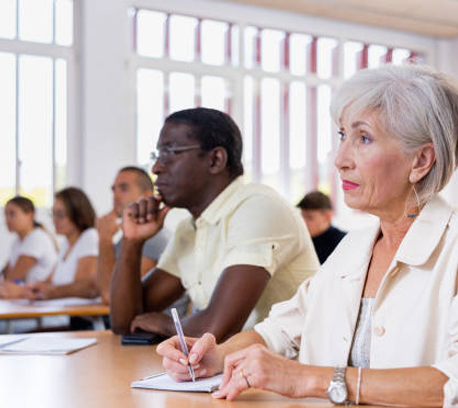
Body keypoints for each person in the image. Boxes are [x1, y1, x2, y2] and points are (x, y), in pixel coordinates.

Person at [156, 65, 458, 407]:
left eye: (363, 138)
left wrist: (309, 379)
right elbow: (280, 330)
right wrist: (217, 356)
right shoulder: (354, 247)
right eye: (341, 135)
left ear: (421, 161)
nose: (340, 158)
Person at [110, 107, 319, 341]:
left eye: (169, 152)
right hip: (236, 368)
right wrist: (131, 242)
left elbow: (217, 329)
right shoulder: (190, 229)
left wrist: (166, 324)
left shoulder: (257, 207)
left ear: (215, 160)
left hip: (295, 369)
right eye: (156, 155)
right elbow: (123, 322)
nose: (156, 168)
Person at [96, 166, 170, 304]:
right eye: (114, 189)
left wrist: (104, 239)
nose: (115, 196)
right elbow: (97, 286)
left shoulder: (153, 238)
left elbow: (111, 297)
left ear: (147, 196)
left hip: (153, 324)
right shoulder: (126, 239)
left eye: (124, 189)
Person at [26, 187, 99, 301]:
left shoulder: (90, 236)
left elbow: (85, 287)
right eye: (53, 214)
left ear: (78, 214)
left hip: (77, 316)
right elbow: (49, 282)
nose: (54, 220)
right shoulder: (66, 243)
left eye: (60, 214)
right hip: (59, 311)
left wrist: (51, 292)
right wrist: (29, 288)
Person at [0, 196, 57, 299]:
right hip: (28, 299)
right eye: (5, 214)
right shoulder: (17, 242)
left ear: (30, 215)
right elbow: (3, 274)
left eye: (12, 214)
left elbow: (12, 279)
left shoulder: (37, 238)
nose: (7, 220)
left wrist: (3, 284)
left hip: (40, 300)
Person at [296, 191, 346, 263]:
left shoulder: (343, 243)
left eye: (309, 218)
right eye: (302, 217)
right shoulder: (301, 242)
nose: (303, 223)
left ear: (327, 216)